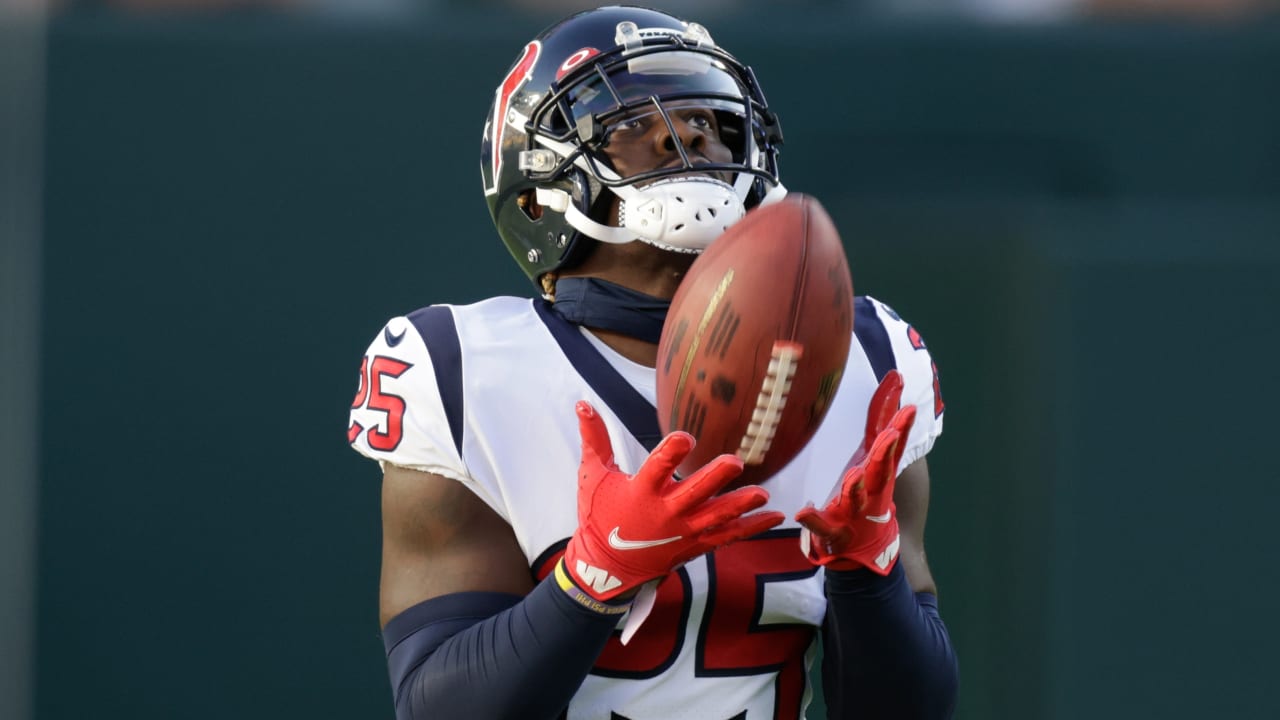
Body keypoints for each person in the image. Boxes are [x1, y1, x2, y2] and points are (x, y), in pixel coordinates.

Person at [347, 5, 958, 718]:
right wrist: (592, 576)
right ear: (539, 192)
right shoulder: (462, 373)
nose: (693, 135)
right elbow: (436, 707)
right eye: (636, 123)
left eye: (713, 120)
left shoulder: (864, 362)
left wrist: (869, 573)